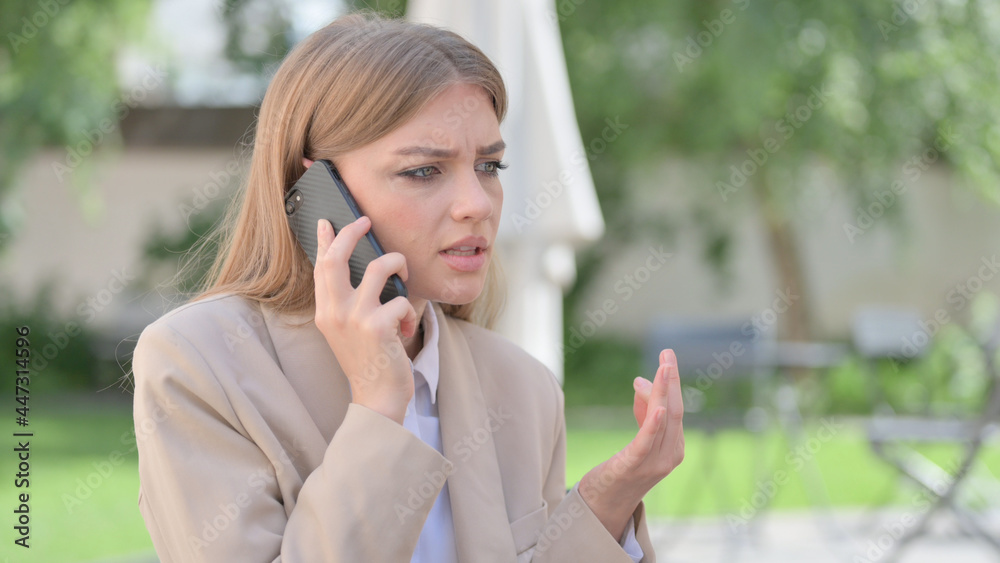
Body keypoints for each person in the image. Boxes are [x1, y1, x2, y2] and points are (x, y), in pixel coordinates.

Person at [132, 11, 684, 562]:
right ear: (318, 187)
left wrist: (604, 504)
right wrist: (378, 404)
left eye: (490, 166)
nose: (476, 204)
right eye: (424, 171)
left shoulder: (524, 388)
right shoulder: (196, 365)